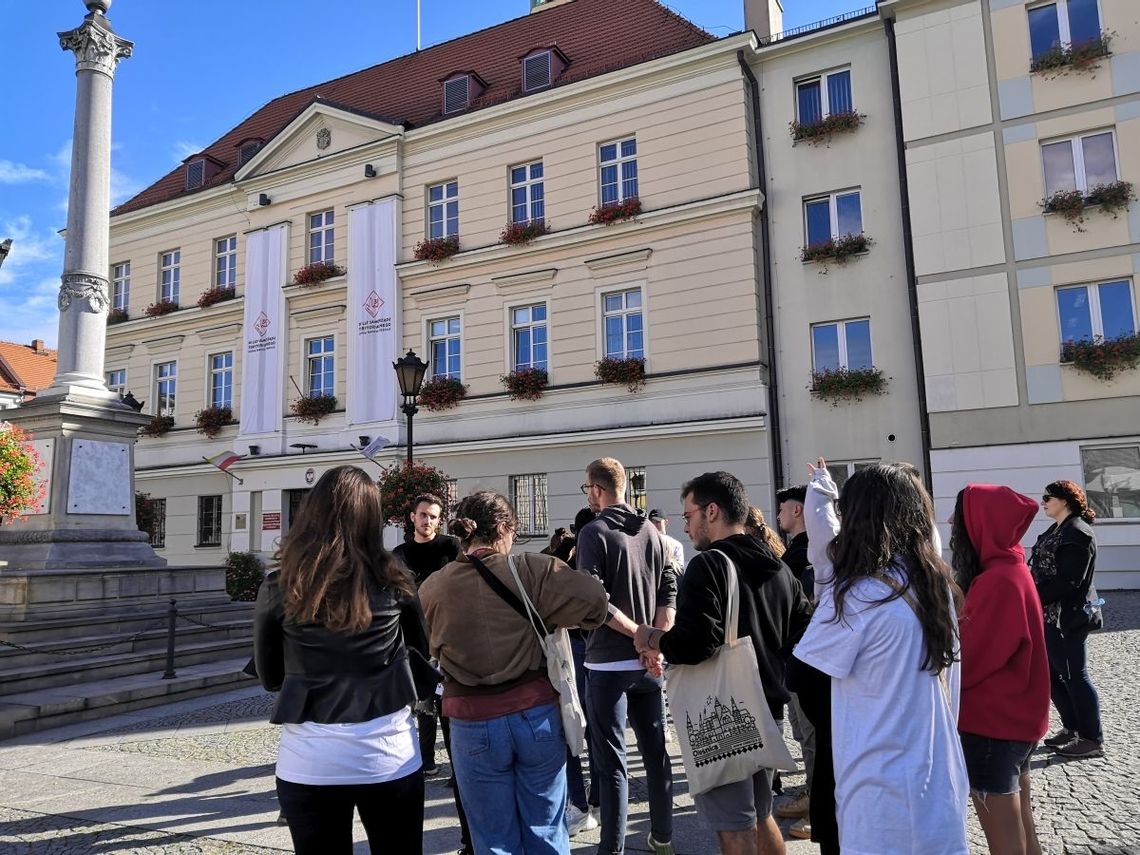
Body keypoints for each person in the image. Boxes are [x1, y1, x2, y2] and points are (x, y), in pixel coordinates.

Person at [791, 459, 969, 855]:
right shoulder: (934, 580)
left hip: (880, 785)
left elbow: (802, 677)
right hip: (935, 773)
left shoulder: (862, 594)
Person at [418, 491, 611, 854]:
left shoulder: (434, 587)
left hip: (471, 722)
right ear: (505, 529)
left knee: (492, 840)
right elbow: (595, 603)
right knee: (547, 831)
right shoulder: (531, 570)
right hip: (534, 715)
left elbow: (419, 648)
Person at [635, 471, 812, 855]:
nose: (685, 526)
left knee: (734, 830)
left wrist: (652, 637)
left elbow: (695, 645)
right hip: (769, 710)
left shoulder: (709, 566)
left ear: (711, 511)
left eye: (688, 515)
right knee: (761, 814)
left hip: (725, 713)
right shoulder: (779, 566)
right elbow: (805, 631)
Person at [254, 466, 428, 854]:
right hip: (387, 752)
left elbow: (270, 677)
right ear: (372, 519)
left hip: (310, 757)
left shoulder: (279, 585)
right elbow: (421, 652)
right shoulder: (396, 581)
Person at [578, 458, 677, 855]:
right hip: (648, 664)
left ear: (598, 490)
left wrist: (640, 635)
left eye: (587, 489)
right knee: (655, 754)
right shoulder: (651, 531)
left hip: (607, 663)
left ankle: (612, 850)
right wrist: (654, 640)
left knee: (612, 765)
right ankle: (663, 837)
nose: (588, 495)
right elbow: (669, 588)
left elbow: (594, 598)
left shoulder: (593, 531)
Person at [950, 484, 1050, 855]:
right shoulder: (1011, 568)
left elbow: (969, 659)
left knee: (1005, 838)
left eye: (958, 518)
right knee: (1023, 826)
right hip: (1015, 721)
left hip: (992, 725)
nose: (950, 523)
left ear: (980, 525)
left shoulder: (997, 580)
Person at [1029, 480, 1104, 759]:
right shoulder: (1058, 529)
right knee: (1052, 675)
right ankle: (1072, 728)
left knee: (1075, 675)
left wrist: (1032, 598)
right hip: (1049, 616)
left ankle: (1092, 738)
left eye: (1049, 497)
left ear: (1065, 501)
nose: (1043, 502)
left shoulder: (1078, 532)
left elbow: (1069, 581)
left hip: (1068, 618)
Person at [392, 494, 461, 777]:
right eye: (423, 515)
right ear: (413, 517)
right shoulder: (400, 553)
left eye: (433, 516)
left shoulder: (451, 546)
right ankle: (426, 761)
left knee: (449, 702)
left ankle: (458, 766)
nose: (428, 521)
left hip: (449, 633)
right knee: (423, 701)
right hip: (415, 637)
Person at [775, 486, 812, 596]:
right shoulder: (812, 547)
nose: (778, 516)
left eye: (781, 510)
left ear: (796, 510)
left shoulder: (801, 553)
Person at [648, 508, 686, 574]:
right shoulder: (645, 544)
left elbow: (679, 571)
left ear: (665, 523)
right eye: (652, 522)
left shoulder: (676, 545)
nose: (654, 525)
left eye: (657, 522)